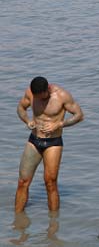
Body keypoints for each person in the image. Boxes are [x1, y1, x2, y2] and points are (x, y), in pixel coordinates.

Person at [15, 76, 84, 212]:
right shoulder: (31, 93)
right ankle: (17, 223)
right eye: (37, 97)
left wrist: (60, 124)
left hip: (53, 143)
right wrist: (27, 121)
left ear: (48, 89)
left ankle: (53, 226)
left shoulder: (62, 96)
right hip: (34, 140)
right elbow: (21, 108)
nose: (39, 99)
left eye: (42, 96)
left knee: (50, 183)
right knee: (23, 182)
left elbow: (79, 115)